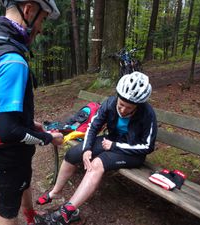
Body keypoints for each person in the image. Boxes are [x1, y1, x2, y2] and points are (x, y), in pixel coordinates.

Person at [35, 72, 158, 225]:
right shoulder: (110, 103)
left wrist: (115, 146)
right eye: (121, 105)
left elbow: (148, 146)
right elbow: (93, 127)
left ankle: (67, 212)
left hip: (132, 151)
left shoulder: (147, 114)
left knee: (98, 163)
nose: (124, 110)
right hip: (111, 140)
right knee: (73, 154)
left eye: (129, 108)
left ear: (138, 106)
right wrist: (87, 149)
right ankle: (56, 191)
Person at [0, 1, 62, 225]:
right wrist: (48, 138)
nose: (42, 28)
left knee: (23, 183)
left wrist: (29, 123)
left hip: (9, 150)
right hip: (8, 152)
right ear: (28, 10)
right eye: (43, 19)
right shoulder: (12, 60)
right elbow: (9, 132)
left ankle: (31, 219)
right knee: (7, 210)